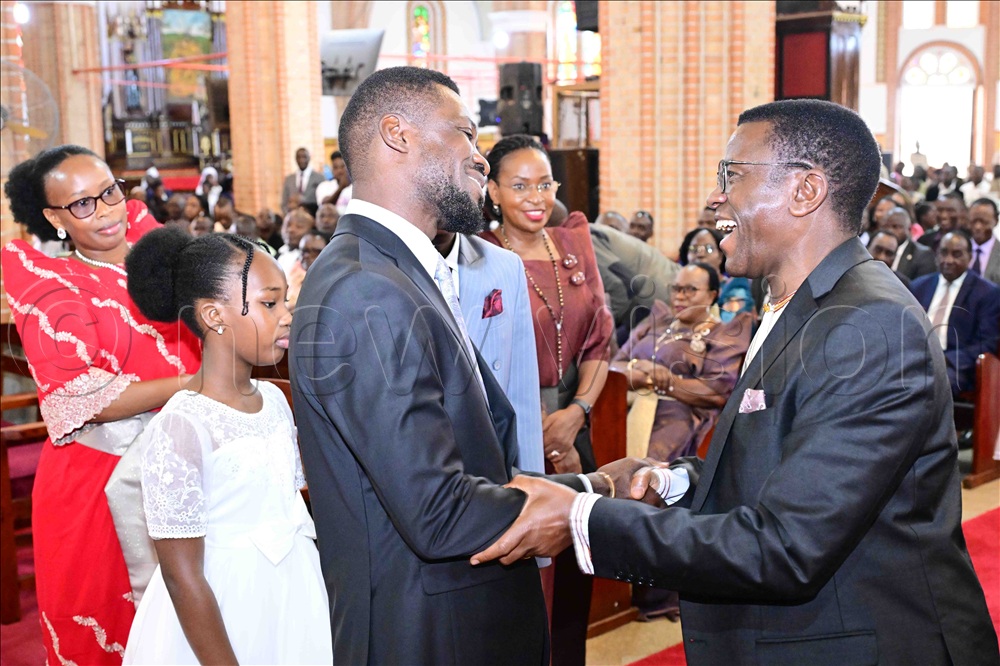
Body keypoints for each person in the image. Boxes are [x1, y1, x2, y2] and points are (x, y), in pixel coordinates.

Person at [471, 99, 1000, 665]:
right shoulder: (798, 303)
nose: (713, 198)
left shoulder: (870, 325)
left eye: (732, 176)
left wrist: (581, 519)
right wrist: (670, 481)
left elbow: (787, 545)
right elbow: (782, 467)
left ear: (805, 191)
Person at [289, 66, 548, 665]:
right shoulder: (366, 288)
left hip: (456, 617)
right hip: (429, 632)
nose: (480, 158)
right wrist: (587, 501)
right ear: (397, 134)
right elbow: (435, 511)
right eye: (466, 133)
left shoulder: (397, 269)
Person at [1, 145, 201, 665]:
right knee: (118, 635)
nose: (106, 211)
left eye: (109, 192)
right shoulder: (49, 283)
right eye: (82, 204)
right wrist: (193, 383)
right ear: (54, 218)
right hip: (98, 481)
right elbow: (81, 398)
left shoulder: (161, 250)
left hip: (190, 461)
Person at [121, 228, 331, 665]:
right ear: (214, 315)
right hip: (224, 607)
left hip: (291, 593)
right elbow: (182, 576)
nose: (287, 316)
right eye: (270, 304)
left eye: (286, 301)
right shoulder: (182, 425)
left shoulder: (274, 399)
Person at [481, 133, 612, 666]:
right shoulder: (478, 255)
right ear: (492, 191)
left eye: (544, 184)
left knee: (579, 563)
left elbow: (600, 338)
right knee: (527, 573)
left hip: (576, 417)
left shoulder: (574, 240)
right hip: (512, 429)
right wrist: (543, 432)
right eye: (519, 186)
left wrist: (576, 413)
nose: (535, 198)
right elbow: (482, 352)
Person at [612, 262, 752, 464]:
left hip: (677, 416)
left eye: (690, 290)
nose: (679, 296)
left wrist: (665, 381)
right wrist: (645, 370)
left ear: (712, 295)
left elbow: (717, 391)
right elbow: (615, 365)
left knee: (643, 469)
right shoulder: (657, 320)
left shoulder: (722, 334)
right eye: (676, 288)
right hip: (623, 403)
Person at [910, 230, 1000, 397]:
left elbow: (986, 344)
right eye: (943, 253)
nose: (948, 260)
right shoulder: (919, 286)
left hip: (954, 366)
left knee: (929, 384)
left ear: (970, 257)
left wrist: (945, 359)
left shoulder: (987, 293)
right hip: (915, 358)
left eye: (956, 254)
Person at [680, 227, 756, 321]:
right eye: (694, 249)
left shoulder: (735, 286)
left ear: (720, 256)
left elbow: (732, 325)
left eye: (709, 249)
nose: (700, 254)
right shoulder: (680, 288)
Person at [879, 206, 936, 280]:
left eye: (895, 227)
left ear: (909, 229)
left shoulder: (922, 255)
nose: (890, 230)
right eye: (886, 226)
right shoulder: (877, 248)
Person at [286, 229, 330, 310]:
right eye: (304, 251)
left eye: (315, 252)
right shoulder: (293, 272)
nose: (307, 256)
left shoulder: (332, 279)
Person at [281, 147, 324, 213]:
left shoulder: (319, 178)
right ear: (295, 159)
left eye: (304, 157)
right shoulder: (289, 179)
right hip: (293, 216)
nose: (301, 160)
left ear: (309, 158)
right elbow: (284, 203)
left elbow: (322, 202)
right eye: (299, 157)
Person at [968, 197, 1000, 284]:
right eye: (974, 221)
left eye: (984, 222)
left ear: (996, 221)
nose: (978, 227)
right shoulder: (959, 250)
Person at [275, 208, 315, 276]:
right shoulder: (279, 253)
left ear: (310, 231)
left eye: (299, 226)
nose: (291, 230)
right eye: (288, 225)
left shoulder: (310, 259)